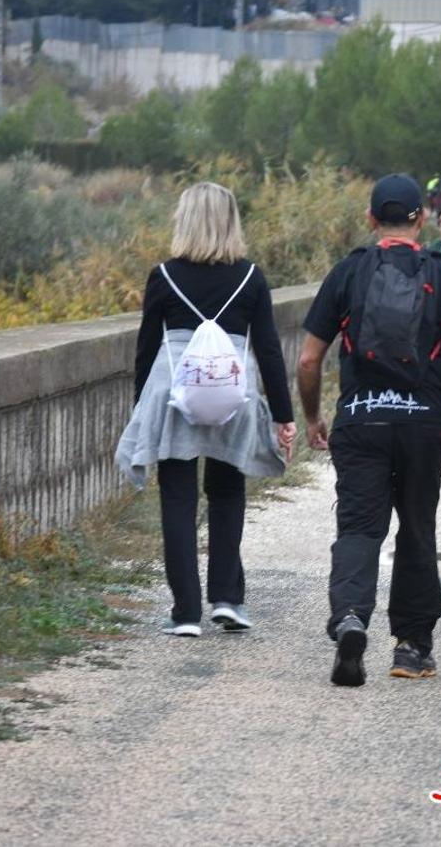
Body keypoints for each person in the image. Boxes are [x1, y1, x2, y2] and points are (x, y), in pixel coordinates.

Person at [297, 173, 441, 686]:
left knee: (359, 527)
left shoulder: (348, 273)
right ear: (421, 219)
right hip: (424, 425)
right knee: (417, 528)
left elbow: (309, 359)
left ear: (371, 219)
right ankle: (412, 647)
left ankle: (352, 616)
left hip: (361, 419)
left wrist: (314, 417)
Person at [116, 182, 296, 638]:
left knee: (177, 498)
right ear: (231, 220)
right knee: (227, 490)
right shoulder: (251, 277)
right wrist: (282, 413)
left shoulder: (163, 275)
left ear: (185, 219)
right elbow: (270, 351)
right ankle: (227, 600)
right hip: (231, 392)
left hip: (175, 391)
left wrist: (142, 407)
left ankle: (185, 613)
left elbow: (146, 347)